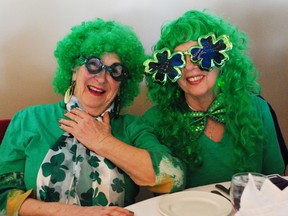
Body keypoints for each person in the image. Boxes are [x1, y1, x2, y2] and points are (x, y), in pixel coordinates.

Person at [0, 18, 185, 215]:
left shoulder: (132, 127)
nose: (102, 78)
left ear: (122, 85)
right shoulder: (30, 119)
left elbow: (174, 180)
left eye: (116, 71)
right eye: (93, 64)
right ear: (73, 70)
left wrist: (102, 141)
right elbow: (3, 198)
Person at [141, 10, 285, 188]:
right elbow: (162, 188)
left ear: (222, 59)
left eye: (200, 54)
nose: (190, 67)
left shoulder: (256, 108)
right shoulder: (154, 121)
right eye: (178, 60)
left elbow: (275, 179)